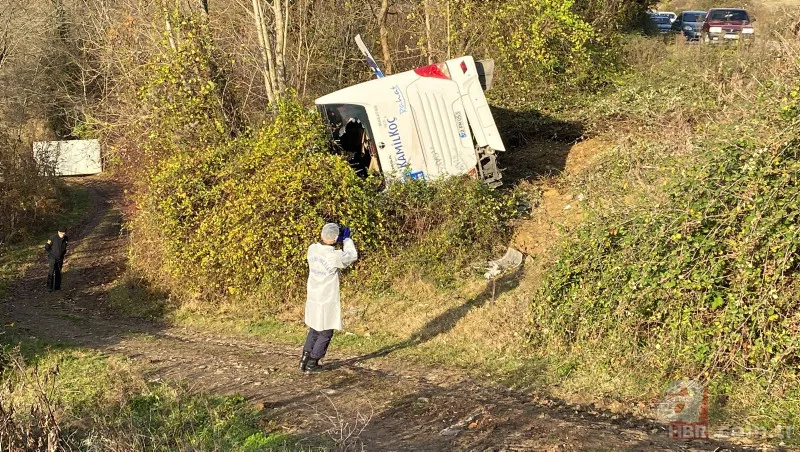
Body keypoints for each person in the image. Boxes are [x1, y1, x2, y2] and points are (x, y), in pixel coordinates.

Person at [300, 223, 358, 373]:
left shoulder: (312, 249)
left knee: (315, 328)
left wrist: (336, 237)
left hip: (314, 295)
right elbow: (352, 256)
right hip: (326, 297)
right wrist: (347, 240)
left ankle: (304, 358)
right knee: (326, 331)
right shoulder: (334, 256)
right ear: (335, 238)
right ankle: (313, 362)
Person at [44, 226, 68, 292]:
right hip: (52, 257)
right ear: (58, 232)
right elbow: (47, 246)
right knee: (51, 271)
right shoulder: (52, 238)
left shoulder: (66, 238)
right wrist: (52, 253)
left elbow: (65, 247)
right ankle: (49, 287)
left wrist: (63, 253)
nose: (63, 234)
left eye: (64, 233)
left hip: (60, 258)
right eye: (62, 233)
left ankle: (57, 287)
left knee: (58, 272)